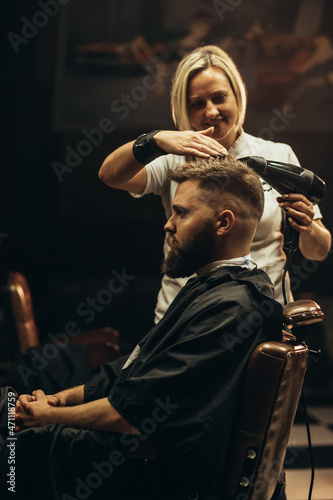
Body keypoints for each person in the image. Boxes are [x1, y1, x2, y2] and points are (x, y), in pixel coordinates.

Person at [0, 157, 284, 500]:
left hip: (160, 473)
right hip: (143, 449)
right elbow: (128, 372)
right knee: (9, 409)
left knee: (15, 439)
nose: (168, 224)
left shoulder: (231, 307)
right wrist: (58, 401)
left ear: (223, 223)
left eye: (181, 213)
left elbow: (131, 415)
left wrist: (49, 417)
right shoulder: (211, 287)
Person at [99, 44, 331, 324]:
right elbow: (110, 175)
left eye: (219, 98)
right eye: (197, 103)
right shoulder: (174, 158)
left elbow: (317, 251)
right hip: (184, 319)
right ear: (185, 108)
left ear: (238, 96)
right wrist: (156, 140)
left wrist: (308, 227)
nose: (210, 112)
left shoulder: (278, 156)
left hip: (260, 318)